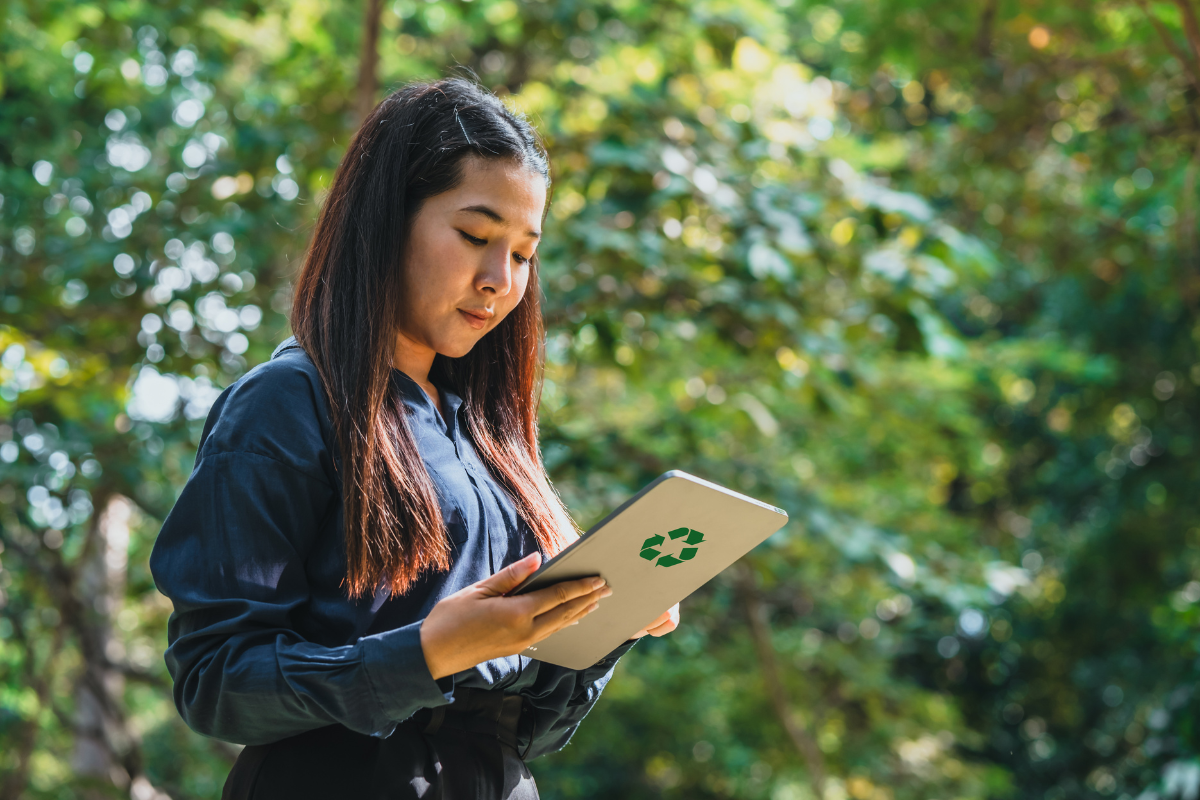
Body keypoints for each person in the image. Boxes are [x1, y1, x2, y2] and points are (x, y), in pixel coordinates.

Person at [149, 77, 680, 800]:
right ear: (387, 221)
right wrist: (427, 652)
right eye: (475, 235)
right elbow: (216, 685)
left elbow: (531, 732)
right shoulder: (288, 404)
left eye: (525, 253)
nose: (500, 279)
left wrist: (599, 627)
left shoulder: (490, 438)